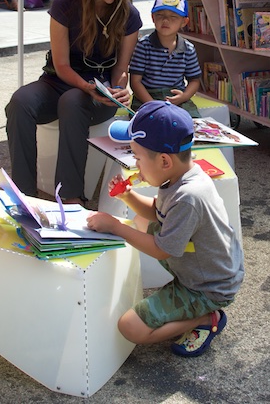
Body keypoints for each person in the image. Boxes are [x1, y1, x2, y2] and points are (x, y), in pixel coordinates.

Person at [86, 100, 244, 358]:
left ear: (164, 161)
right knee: (143, 223)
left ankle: (206, 318)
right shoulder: (180, 177)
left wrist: (115, 226)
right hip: (204, 271)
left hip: (208, 288)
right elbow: (158, 212)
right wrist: (128, 196)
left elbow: (161, 250)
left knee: (131, 328)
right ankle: (189, 303)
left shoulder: (188, 196)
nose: (135, 165)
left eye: (137, 158)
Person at [5, 0, 152, 203]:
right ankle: (23, 192)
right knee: (20, 102)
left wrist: (121, 89)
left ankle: (71, 196)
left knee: (72, 102)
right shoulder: (66, 2)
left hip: (100, 93)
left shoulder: (129, 15)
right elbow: (61, 65)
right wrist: (84, 85)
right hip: (60, 80)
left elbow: (121, 69)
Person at [129, 0, 202, 118]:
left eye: (173, 16)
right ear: (153, 18)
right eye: (160, 15)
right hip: (147, 96)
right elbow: (135, 82)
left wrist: (184, 96)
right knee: (148, 122)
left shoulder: (188, 49)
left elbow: (194, 80)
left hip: (176, 97)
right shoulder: (144, 45)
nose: (166, 20)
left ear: (184, 22)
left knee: (192, 122)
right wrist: (151, 103)